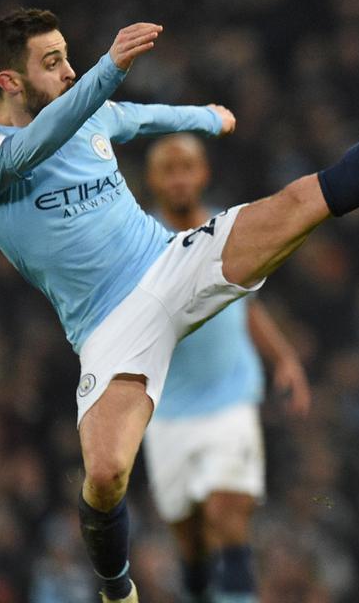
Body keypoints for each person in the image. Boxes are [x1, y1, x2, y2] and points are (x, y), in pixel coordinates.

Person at [0, 8, 359, 602]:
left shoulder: (88, 114)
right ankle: (115, 587)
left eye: (69, 58)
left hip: (170, 263)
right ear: (9, 81)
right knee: (105, 476)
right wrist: (108, 69)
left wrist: (205, 118)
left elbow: (142, 117)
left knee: (297, 203)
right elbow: (40, 141)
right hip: (109, 325)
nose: (69, 71)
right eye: (51, 63)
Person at [141, 133, 311, 603]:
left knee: (228, 513)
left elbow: (246, 305)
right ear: (152, 180)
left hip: (230, 400)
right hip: (168, 409)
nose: (178, 179)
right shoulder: (140, 245)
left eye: (186, 167)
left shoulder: (228, 230)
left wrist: (284, 358)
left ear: (203, 174)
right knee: (190, 537)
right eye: (168, 170)